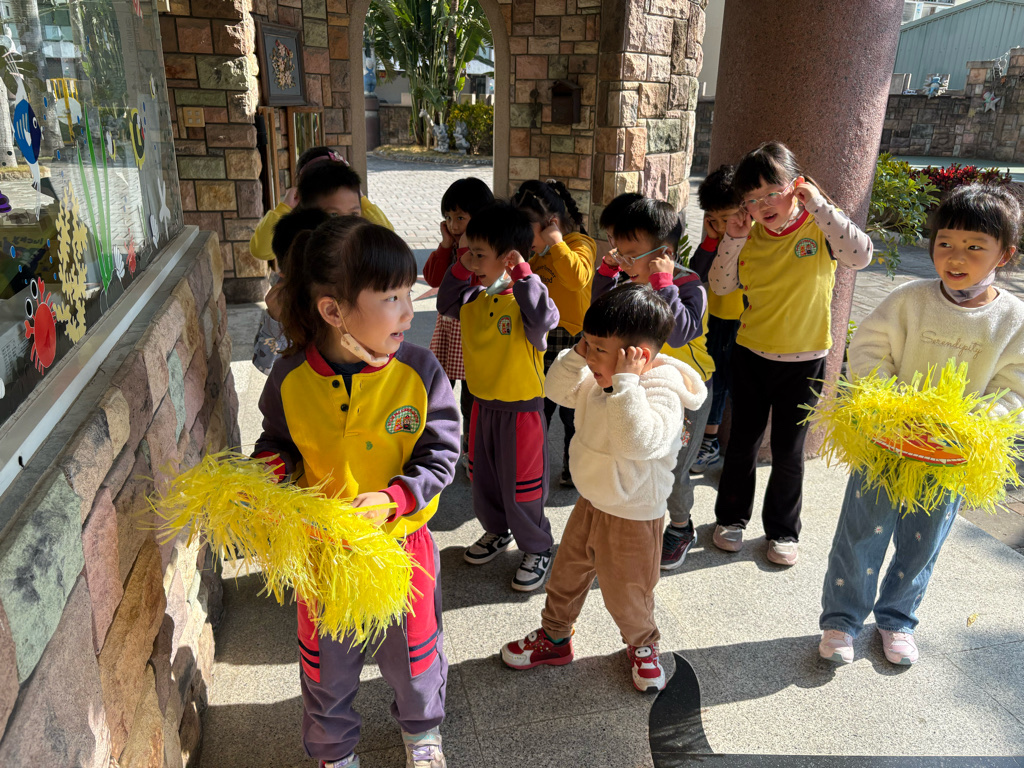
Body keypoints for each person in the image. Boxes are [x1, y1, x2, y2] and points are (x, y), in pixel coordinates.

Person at [253, 217, 460, 768]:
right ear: (333, 311)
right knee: (327, 666)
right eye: (391, 297)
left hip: (401, 550)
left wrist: (396, 498)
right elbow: (278, 443)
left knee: (415, 657)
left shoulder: (419, 371)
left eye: (408, 293)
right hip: (325, 554)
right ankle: (334, 750)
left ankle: (422, 731)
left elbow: (440, 454)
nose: (408, 312)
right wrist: (264, 476)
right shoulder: (290, 377)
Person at [819, 184, 1024, 666]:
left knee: (923, 541)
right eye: (945, 242)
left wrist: (976, 422)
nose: (956, 256)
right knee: (860, 531)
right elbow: (869, 349)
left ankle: (897, 619)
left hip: (950, 455)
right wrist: (891, 404)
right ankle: (841, 620)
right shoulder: (909, 299)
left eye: (975, 246)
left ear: (1005, 254)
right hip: (886, 442)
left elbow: (1014, 386)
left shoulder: (1012, 319)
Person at [500, 284, 706, 691]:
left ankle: (643, 644)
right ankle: (555, 636)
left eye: (598, 349)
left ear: (636, 356)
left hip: (634, 515)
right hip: (592, 502)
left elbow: (637, 442)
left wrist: (625, 384)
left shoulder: (662, 389)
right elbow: (556, 390)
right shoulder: (598, 377)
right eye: (587, 345)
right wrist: (579, 355)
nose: (590, 357)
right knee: (566, 577)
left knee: (628, 594)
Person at [708, 141, 872, 566]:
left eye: (771, 192)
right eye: (751, 198)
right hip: (751, 355)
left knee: (788, 451)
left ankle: (782, 530)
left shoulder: (819, 227)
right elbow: (721, 285)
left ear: (795, 186)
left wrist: (818, 205)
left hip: (805, 361)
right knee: (742, 444)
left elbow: (860, 256)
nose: (762, 205)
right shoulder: (748, 235)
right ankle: (731, 519)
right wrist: (733, 238)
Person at [437, 201, 560, 591]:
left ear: (508, 258)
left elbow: (544, 318)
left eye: (479, 255)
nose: (471, 262)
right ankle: (496, 530)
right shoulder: (474, 298)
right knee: (485, 480)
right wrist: (461, 266)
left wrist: (523, 275)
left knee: (523, 487)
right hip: (483, 407)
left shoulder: (524, 301)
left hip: (521, 412)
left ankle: (538, 546)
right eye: (469, 252)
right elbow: (445, 303)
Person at [591, 197, 711, 570]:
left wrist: (663, 283)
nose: (623, 262)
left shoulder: (689, 286)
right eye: (618, 252)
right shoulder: (628, 282)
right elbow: (601, 313)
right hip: (642, 385)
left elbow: (679, 333)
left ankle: (681, 526)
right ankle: (641, 520)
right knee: (637, 457)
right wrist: (606, 273)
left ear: (664, 255)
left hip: (684, 394)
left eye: (631, 255)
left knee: (672, 467)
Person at [513, 179, 597, 488]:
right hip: (545, 339)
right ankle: (533, 466)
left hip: (574, 341)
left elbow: (576, 279)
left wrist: (557, 243)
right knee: (541, 409)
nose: (526, 240)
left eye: (529, 231)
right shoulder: (538, 255)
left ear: (551, 224)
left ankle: (574, 469)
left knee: (572, 412)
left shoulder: (580, 244)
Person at [423, 177, 496, 466]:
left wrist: (466, 251)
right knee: (437, 392)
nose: (453, 225)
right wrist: (445, 245)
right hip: (448, 332)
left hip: (473, 333)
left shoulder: (483, 249)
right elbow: (432, 278)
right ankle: (434, 446)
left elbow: (476, 282)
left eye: (461, 218)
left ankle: (471, 452)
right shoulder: (451, 245)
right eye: (448, 217)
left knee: (470, 399)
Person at [686, 166, 743, 474]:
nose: (721, 226)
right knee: (715, 381)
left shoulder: (753, 237)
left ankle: (722, 446)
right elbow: (696, 272)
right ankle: (708, 442)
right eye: (713, 219)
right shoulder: (716, 237)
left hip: (745, 321)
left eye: (726, 218)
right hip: (716, 318)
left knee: (736, 385)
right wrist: (709, 240)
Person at [248, 147, 392, 264]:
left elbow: (388, 240)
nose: (347, 222)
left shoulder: (358, 237)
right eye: (333, 214)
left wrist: (363, 201)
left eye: (354, 213)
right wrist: (284, 208)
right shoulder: (302, 234)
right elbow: (261, 250)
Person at [252, 207, 330, 374]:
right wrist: (276, 320)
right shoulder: (282, 303)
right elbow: (266, 366)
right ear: (284, 273)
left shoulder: (350, 295)